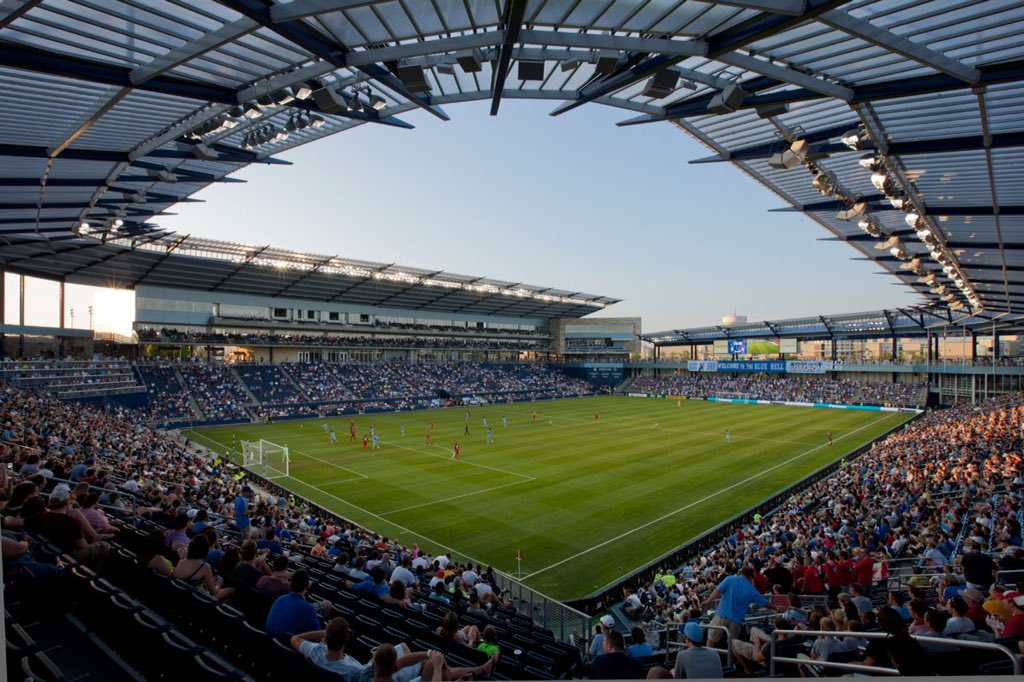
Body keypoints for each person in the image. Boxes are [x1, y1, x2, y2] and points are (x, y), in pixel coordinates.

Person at [702, 566, 768, 648]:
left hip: (722, 616)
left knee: (711, 639)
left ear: (741, 573)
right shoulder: (752, 589)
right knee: (733, 645)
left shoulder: (730, 579)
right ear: (751, 576)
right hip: (736, 621)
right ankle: (731, 660)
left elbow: (717, 591)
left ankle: (708, 659)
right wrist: (776, 608)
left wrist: (708, 601)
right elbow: (765, 603)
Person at [265, 569, 324, 639]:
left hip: (269, 642)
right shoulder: (309, 609)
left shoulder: (280, 599)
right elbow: (317, 638)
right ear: (308, 585)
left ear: (290, 583)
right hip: (287, 646)